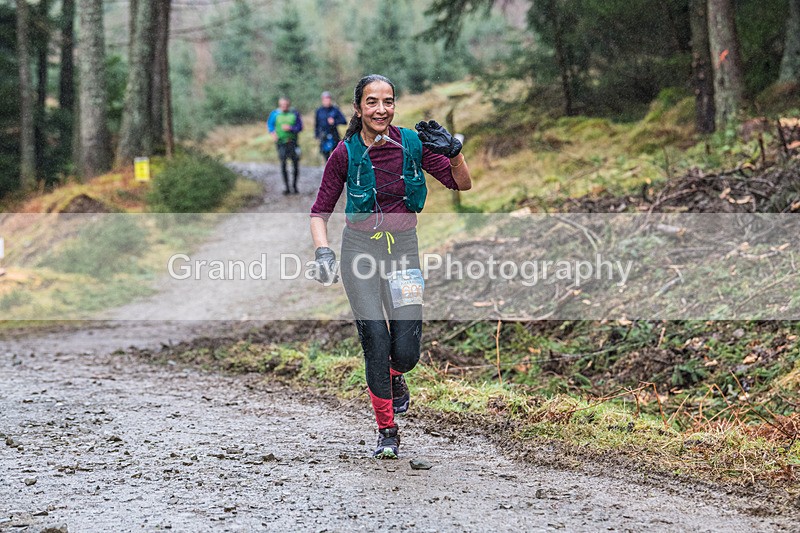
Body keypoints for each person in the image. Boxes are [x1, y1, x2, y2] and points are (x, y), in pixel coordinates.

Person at [309, 74, 471, 459]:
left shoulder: (411, 144)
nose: (381, 109)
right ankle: (387, 431)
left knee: (407, 351)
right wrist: (323, 252)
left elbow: (461, 183)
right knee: (376, 342)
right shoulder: (344, 154)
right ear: (357, 108)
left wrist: (454, 152)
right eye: (372, 102)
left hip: (403, 252)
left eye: (388, 101)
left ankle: (395, 376)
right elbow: (319, 212)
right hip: (359, 254)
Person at [267, 97, 303, 194]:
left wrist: (291, 128)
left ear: (289, 105)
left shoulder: (294, 113)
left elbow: (300, 127)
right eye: (282, 105)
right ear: (279, 105)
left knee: (295, 164)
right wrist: (273, 133)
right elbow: (270, 125)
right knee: (283, 164)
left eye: (286, 105)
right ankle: (287, 187)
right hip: (281, 143)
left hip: (293, 142)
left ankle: (294, 186)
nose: (284, 107)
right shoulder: (275, 114)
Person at [314, 91, 347, 161]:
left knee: (336, 156)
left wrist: (334, 122)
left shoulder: (335, 109)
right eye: (325, 99)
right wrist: (317, 135)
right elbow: (316, 124)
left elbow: (344, 121)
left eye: (328, 98)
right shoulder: (319, 111)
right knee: (326, 156)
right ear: (322, 100)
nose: (327, 101)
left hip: (334, 135)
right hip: (324, 136)